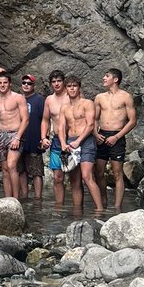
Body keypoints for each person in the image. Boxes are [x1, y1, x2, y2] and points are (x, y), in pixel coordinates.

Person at [57, 76, 103, 211]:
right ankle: (78, 212)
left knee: (87, 176)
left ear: (79, 87)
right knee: (74, 181)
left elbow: (90, 125)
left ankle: (99, 210)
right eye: (69, 86)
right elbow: (60, 127)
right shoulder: (64, 108)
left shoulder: (87, 103)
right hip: (70, 142)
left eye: (74, 86)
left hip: (86, 141)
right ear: (66, 89)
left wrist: (79, 141)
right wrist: (62, 143)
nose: (72, 88)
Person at [94, 68, 137, 209]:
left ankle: (117, 207)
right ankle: (104, 201)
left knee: (117, 173)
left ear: (116, 79)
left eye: (107, 76)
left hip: (117, 136)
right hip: (101, 135)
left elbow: (132, 121)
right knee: (98, 172)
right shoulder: (99, 97)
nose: (104, 78)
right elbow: (94, 119)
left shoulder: (126, 97)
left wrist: (117, 136)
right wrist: (95, 133)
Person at [0, 71, 28, 199]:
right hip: (2, 135)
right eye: (0, 83)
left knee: (11, 165)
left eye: (5, 82)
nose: (2, 85)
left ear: (9, 83)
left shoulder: (18, 98)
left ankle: (15, 199)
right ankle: (7, 199)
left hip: (15, 134)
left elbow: (25, 119)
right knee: (5, 170)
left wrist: (18, 137)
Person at [44, 70, 71, 205]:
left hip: (72, 139)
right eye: (53, 82)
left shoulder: (71, 95)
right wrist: (44, 137)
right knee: (57, 177)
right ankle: (59, 208)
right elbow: (45, 120)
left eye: (59, 81)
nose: (56, 84)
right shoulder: (49, 100)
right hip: (56, 141)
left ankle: (78, 211)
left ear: (63, 82)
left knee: (76, 178)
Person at [18, 73, 45, 201]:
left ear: (34, 86)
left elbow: (45, 120)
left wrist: (43, 137)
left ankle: (38, 198)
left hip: (34, 139)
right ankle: (24, 195)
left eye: (29, 83)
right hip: (20, 139)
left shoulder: (39, 99)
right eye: (24, 83)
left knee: (36, 171)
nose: (26, 85)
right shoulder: (18, 99)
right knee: (21, 169)